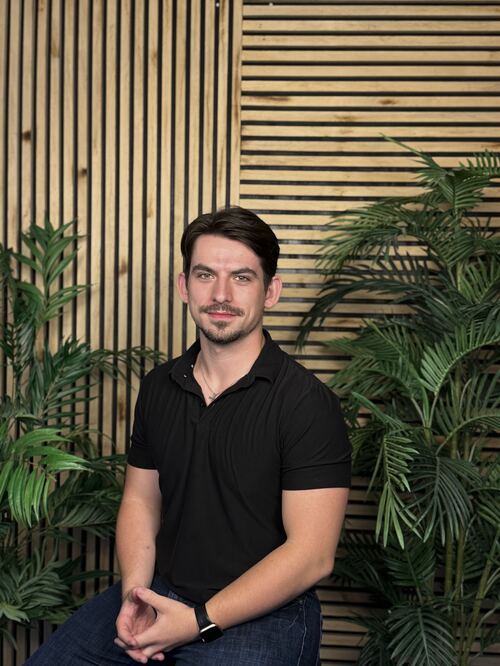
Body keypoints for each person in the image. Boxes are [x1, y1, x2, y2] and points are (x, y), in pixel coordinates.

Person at [26, 206, 351, 665]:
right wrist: (136, 595)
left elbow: (312, 555)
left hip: (266, 611)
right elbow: (141, 500)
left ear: (271, 291)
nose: (221, 294)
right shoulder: (159, 386)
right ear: (184, 286)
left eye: (242, 277)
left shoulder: (307, 403)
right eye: (205, 275)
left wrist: (198, 620)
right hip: (161, 590)